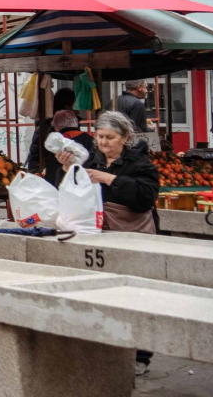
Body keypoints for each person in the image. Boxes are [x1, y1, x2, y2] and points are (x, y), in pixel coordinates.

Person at [56, 109, 159, 374]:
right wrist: (67, 169)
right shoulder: (92, 159)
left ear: (124, 137)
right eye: (100, 137)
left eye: (110, 137)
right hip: (100, 236)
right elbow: (71, 191)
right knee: (105, 294)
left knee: (137, 297)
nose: (103, 143)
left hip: (135, 237)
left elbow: (145, 198)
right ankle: (108, 351)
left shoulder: (140, 164)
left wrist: (109, 178)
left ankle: (140, 356)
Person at [25, 87, 76, 185]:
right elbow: (35, 154)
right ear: (67, 106)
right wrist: (37, 172)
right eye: (73, 106)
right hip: (49, 176)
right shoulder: (47, 128)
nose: (75, 110)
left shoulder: (49, 125)